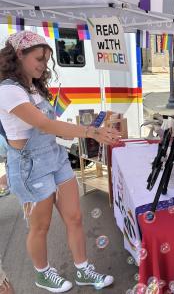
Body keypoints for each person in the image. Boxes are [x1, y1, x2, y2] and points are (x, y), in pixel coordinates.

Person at [0, 31, 121, 293]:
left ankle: (83, 270)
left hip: (54, 158)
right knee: (40, 226)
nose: (44, 65)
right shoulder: (8, 90)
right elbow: (44, 124)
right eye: (39, 58)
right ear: (18, 55)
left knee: (75, 217)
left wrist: (92, 127)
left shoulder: (33, 85)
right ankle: (43, 274)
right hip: (30, 166)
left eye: (46, 59)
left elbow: (53, 125)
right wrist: (91, 132)